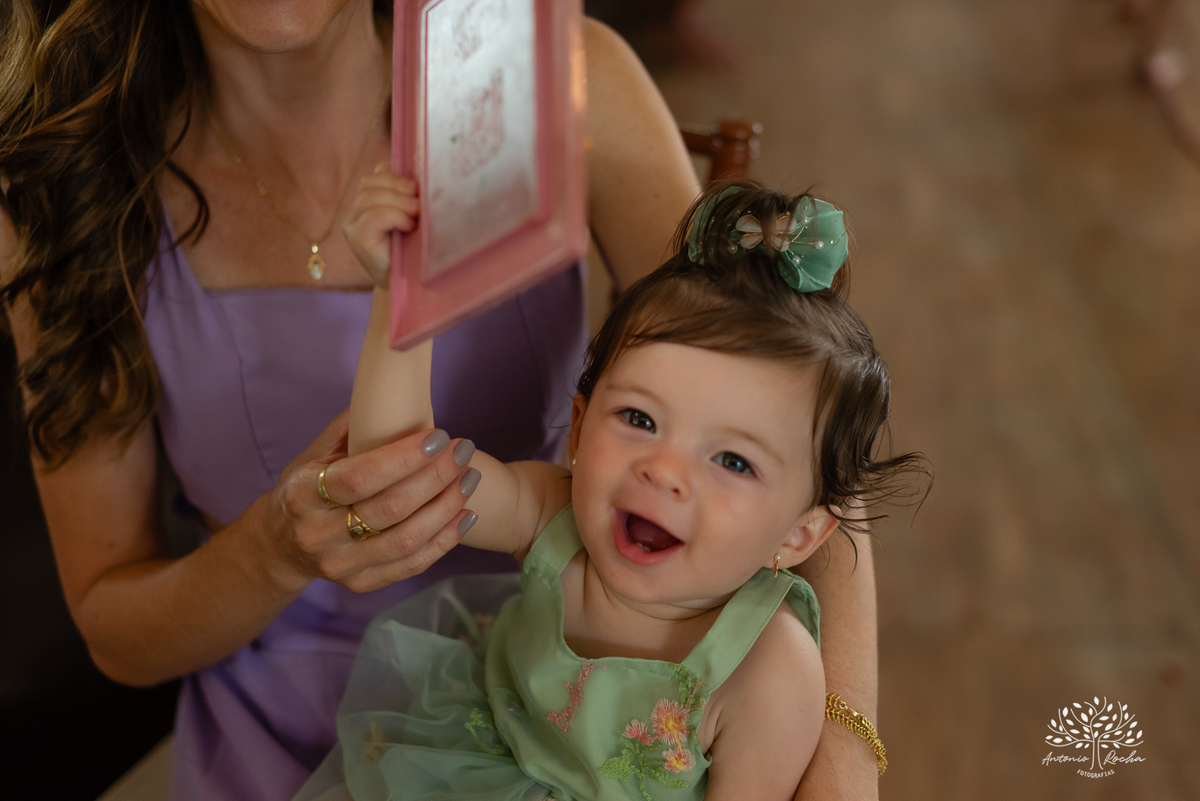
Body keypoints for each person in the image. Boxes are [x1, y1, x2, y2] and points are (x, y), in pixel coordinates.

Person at [0, 3, 882, 800]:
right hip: (278, 747)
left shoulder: (559, 80)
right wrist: (270, 553)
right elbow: (118, 631)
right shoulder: (58, 188)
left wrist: (844, 753)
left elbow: (786, 428)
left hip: (600, 667)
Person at [291, 179, 925, 800]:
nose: (664, 471)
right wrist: (401, 300)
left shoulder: (769, 669)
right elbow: (398, 483)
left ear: (798, 535)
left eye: (733, 461)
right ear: (579, 428)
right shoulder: (548, 513)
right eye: (639, 420)